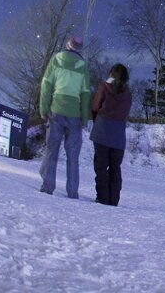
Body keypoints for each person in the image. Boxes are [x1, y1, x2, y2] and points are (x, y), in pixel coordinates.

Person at [38, 36, 91, 198]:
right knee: (73, 156)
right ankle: (72, 191)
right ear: (80, 49)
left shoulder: (56, 60)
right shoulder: (83, 66)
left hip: (56, 110)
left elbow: (46, 84)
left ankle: (48, 186)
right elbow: (85, 93)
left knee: (51, 150)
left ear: (67, 45)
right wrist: (84, 117)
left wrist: (43, 108)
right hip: (74, 114)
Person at [90, 63, 132, 206]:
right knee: (115, 168)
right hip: (118, 136)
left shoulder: (104, 87)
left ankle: (102, 198)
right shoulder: (128, 93)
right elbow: (126, 113)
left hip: (102, 130)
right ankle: (113, 200)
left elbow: (95, 106)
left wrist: (96, 119)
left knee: (101, 167)